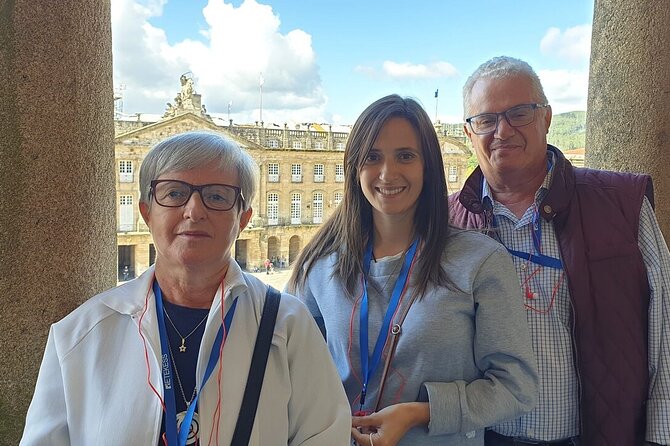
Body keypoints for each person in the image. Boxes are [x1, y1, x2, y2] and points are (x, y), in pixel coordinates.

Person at [21, 131, 351, 445]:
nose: (194, 211)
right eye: (175, 193)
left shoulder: (288, 326)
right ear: (147, 212)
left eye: (217, 196)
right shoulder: (80, 334)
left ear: (244, 218)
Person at [287, 94, 538, 446]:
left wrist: (421, 412)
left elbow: (517, 387)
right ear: (354, 167)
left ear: (428, 167)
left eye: (405, 156)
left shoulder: (479, 261)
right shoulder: (319, 265)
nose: (388, 173)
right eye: (373, 157)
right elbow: (290, 367)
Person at [449, 56, 670, 446]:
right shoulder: (448, 221)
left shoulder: (620, 203)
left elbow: (665, 323)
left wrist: (659, 433)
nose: (502, 130)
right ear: (469, 133)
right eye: (485, 120)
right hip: (484, 437)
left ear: (546, 118)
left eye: (519, 113)